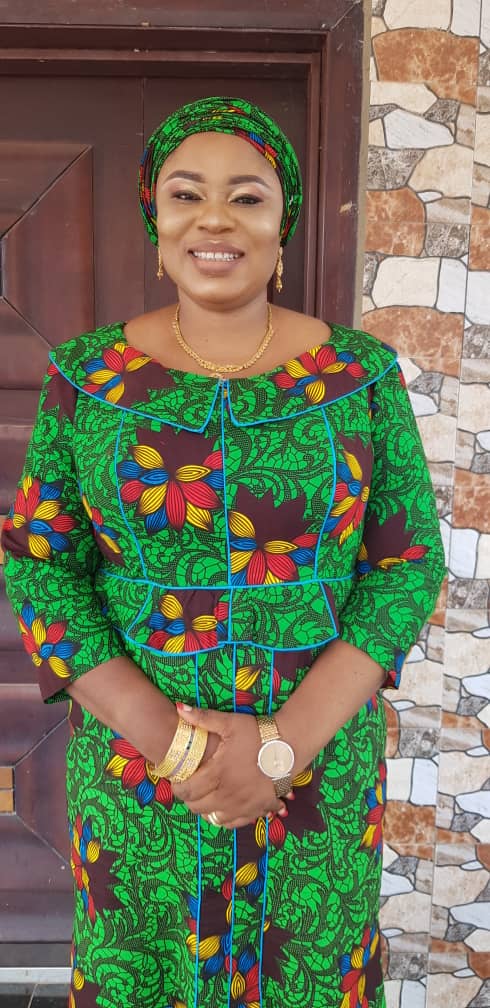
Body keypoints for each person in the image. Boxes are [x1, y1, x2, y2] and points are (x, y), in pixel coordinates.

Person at [1, 96, 445, 1008]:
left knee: (310, 973)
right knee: (141, 972)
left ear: (282, 225)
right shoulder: (84, 378)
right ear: (155, 219)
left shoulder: (361, 377)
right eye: (185, 194)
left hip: (317, 772)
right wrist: (176, 746)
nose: (214, 218)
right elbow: (41, 563)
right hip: (139, 776)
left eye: (247, 197)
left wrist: (281, 747)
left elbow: (406, 566)